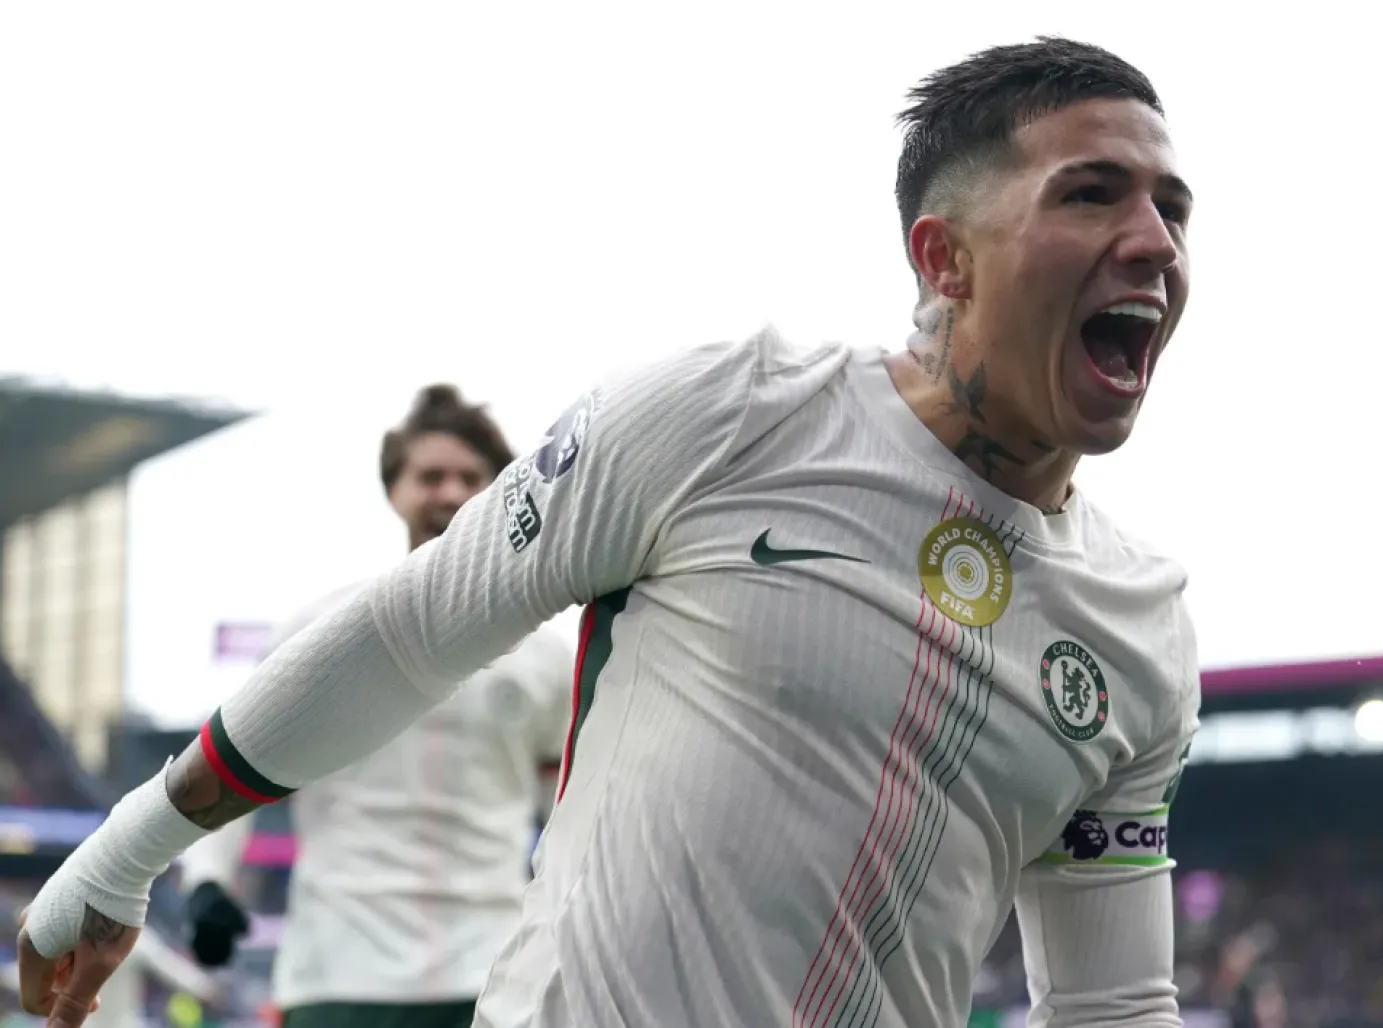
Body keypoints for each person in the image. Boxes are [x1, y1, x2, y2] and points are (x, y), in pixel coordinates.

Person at [18, 36, 1202, 1028]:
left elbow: (1110, 1002)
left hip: (459, 956)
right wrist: (129, 850)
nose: (1155, 240)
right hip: (360, 983)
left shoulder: (1138, 630)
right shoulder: (729, 415)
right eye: (1091, 193)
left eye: (1173, 207)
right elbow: (406, 631)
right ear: (944, 257)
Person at [159, 386, 576, 1028]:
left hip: (493, 974)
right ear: (394, 490)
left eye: (470, 476)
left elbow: (575, 808)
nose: (448, 492)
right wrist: (207, 881)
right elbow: (229, 767)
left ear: (502, 492)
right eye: (429, 475)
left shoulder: (546, 655)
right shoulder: (320, 632)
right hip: (336, 976)